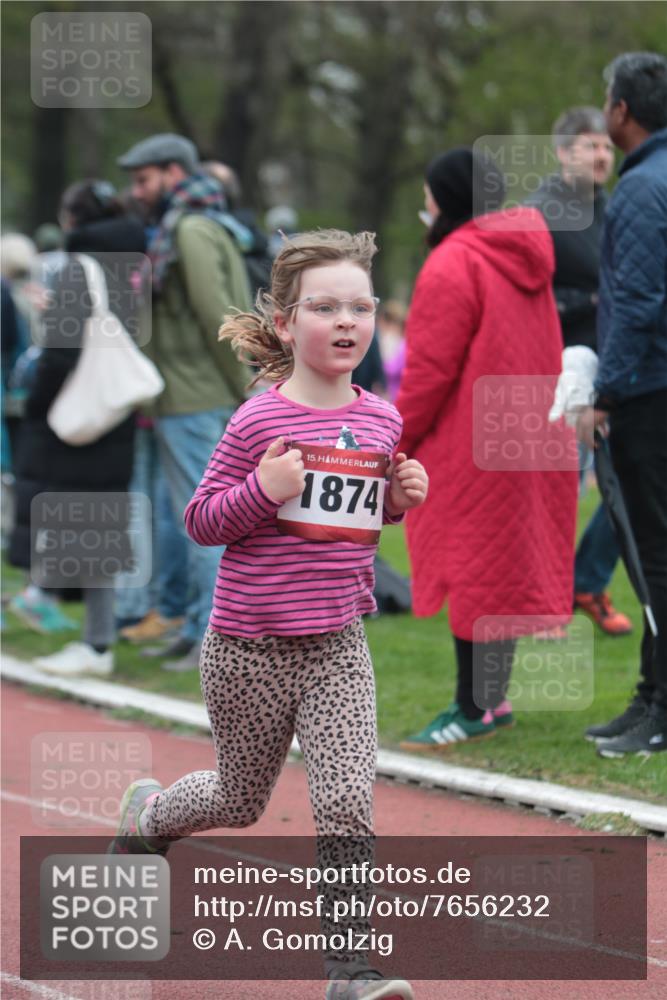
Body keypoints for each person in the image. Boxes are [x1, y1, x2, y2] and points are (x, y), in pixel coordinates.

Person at [109, 229, 428, 1000]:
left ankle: (350, 971)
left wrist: (394, 499)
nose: (346, 321)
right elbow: (200, 521)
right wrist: (264, 488)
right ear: (285, 324)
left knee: (346, 800)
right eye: (324, 308)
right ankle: (149, 818)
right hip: (248, 649)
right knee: (238, 801)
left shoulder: (381, 420)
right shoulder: (258, 420)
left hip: (337, 646)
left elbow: (353, 520)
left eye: (360, 307)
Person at [397, 148, 578, 749]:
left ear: (447, 197)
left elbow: (429, 371)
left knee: (472, 566)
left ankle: (472, 707)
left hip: (469, 442)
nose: (425, 204)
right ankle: (493, 699)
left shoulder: (454, 261)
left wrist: (396, 436)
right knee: (501, 566)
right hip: (529, 434)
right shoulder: (525, 253)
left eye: (429, 193)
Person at [117, 133, 253, 670]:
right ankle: (197, 628)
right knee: (196, 520)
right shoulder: (193, 224)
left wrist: (244, 385)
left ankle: (214, 641)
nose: (137, 191)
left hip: (196, 396)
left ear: (174, 173)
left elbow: (217, 314)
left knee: (206, 526)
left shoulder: (190, 229)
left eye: (143, 179)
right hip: (193, 395)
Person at [7, 180, 146, 673]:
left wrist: (37, 404)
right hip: (115, 408)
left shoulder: (78, 268)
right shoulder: (136, 264)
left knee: (75, 520)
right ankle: (93, 637)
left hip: (75, 410)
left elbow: (62, 353)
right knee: (97, 524)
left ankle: (85, 635)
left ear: (71, 219)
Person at [579, 52, 667, 756]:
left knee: (654, 556)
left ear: (621, 111)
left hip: (648, 392)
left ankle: (661, 707)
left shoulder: (640, 188)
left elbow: (638, 302)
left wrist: (603, 394)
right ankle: (650, 693)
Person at [527, 106, 632, 637]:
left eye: (607, 147)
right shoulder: (537, 215)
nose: (602, 155)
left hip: (618, 366)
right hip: (559, 374)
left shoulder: (617, 207)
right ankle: (543, 601)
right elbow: (524, 297)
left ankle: (586, 581)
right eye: (591, 146)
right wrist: (587, 300)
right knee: (559, 490)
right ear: (563, 152)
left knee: (635, 482)